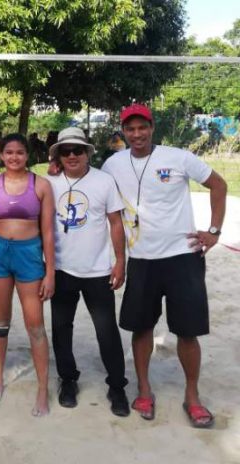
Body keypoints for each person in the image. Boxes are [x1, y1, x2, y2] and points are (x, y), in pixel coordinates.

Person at [102, 104, 227, 428]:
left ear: (152, 127)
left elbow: (219, 185)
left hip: (183, 256)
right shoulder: (113, 164)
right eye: (130, 129)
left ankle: (192, 396)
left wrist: (213, 231)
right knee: (141, 327)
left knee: (188, 331)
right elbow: (97, 192)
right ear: (123, 132)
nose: (137, 134)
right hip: (142, 259)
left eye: (142, 127)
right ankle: (144, 389)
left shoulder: (178, 157)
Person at [46, 127, 130, 417]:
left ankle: (117, 385)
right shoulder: (48, 182)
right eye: (65, 151)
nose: (72, 156)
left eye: (77, 150)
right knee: (60, 329)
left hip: (97, 270)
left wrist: (120, 261)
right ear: (57, 155)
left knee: (106, 330)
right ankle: (68, 380)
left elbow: (116, 224)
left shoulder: (104, 182)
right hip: (61, 268)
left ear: (87, 153)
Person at [0, 133, 55, 416]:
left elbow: (48, 232)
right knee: (0, 321)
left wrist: (50, 272)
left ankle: (42, 389)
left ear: (28, 155)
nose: (14, 157)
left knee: (35, 324)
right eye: (9, 153)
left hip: (28, 254)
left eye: (19, 152)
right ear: (1, 155)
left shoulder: (41, 185)